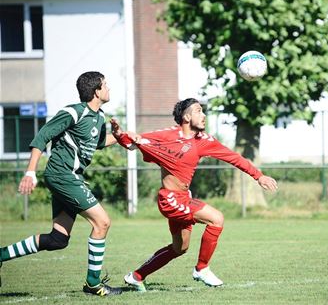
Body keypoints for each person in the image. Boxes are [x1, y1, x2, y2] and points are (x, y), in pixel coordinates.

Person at [110, 98, 277, 291]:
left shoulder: (203, 140)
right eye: (199, 111)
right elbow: (134, 142)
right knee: (216, 218)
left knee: (179, 248)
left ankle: (136, 276)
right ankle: (202, 268)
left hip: (184, 198)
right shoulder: (167, 134)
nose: (204, 115)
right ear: (186, 116)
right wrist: (120, 135)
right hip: (170, 199)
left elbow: (234, 158)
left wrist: (259, 176)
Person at [0, 71, 122, 296]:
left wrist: (123, 137)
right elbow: (42, 136)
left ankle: (0, 255)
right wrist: (30, 172)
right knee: (102, 222)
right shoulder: (74, 112)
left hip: (70, 177)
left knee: (58, 239)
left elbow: (99, 142)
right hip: (62, 175)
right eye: (106, 84)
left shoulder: (98, 117)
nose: (109, 88)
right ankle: (93, 284)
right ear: (96, 91)